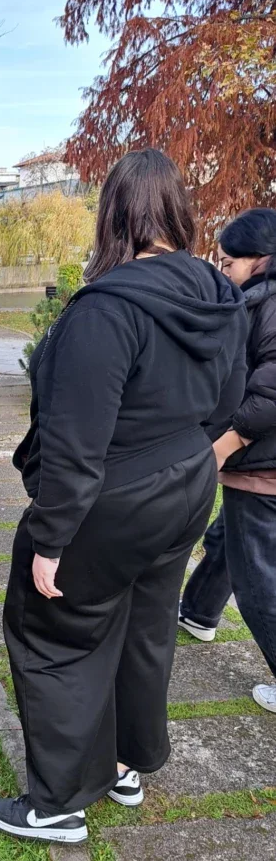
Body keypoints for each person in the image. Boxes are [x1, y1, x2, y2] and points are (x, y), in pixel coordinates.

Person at [0, 149, 247, 844]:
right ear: (178, 212)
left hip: (116, 493)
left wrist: (51, 539)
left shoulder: (106, 309)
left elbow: (76, 439)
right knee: (144, 627)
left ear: (113, 215)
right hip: (187, 482)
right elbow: (227, 402)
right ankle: (127, 763)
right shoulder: (219, 295)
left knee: (54, 632)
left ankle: (58, 802)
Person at [180, 208, 276, 713]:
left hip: (261, 464)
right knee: (226, 540)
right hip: (258, 462)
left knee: (257, 580)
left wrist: (223, 445)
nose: (224, 273)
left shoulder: (268, 303)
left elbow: (270, 395)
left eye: (228, 263)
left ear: (260, 259)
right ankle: (198, 612)